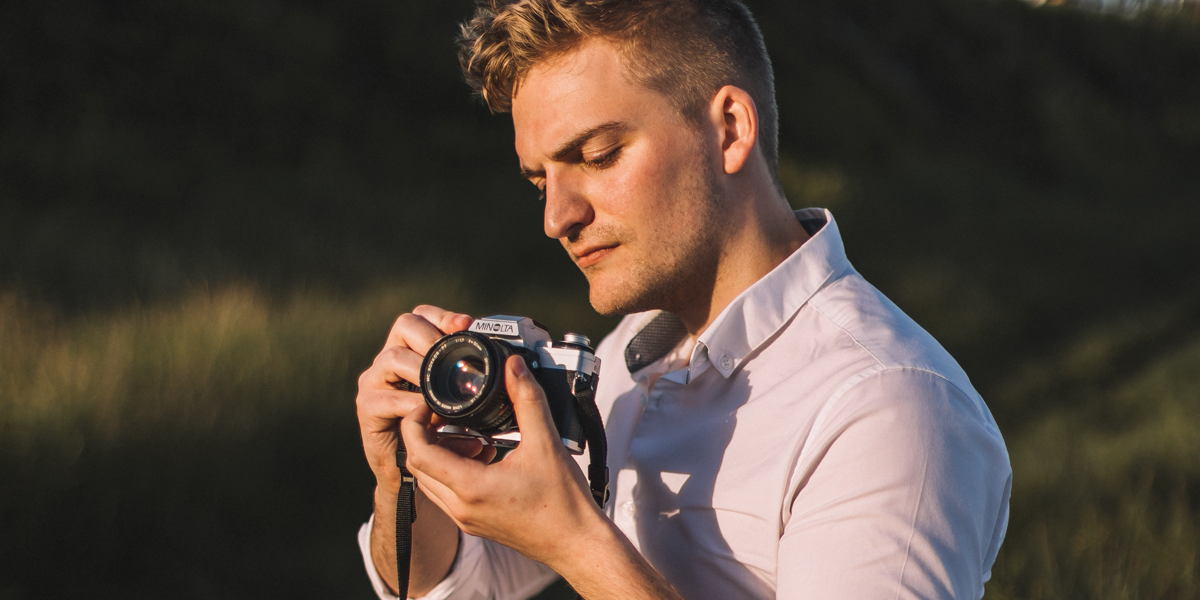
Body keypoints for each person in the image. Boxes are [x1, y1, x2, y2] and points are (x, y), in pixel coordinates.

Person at [354, 0, 1012, 598]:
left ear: (729, 129)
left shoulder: (889, 407)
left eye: (599, 154)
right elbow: (465, 588)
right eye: (539, 181)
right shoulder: (629, 360)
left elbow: (566, 548)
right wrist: (408, 482)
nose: (556, 217)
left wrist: (578, 544)